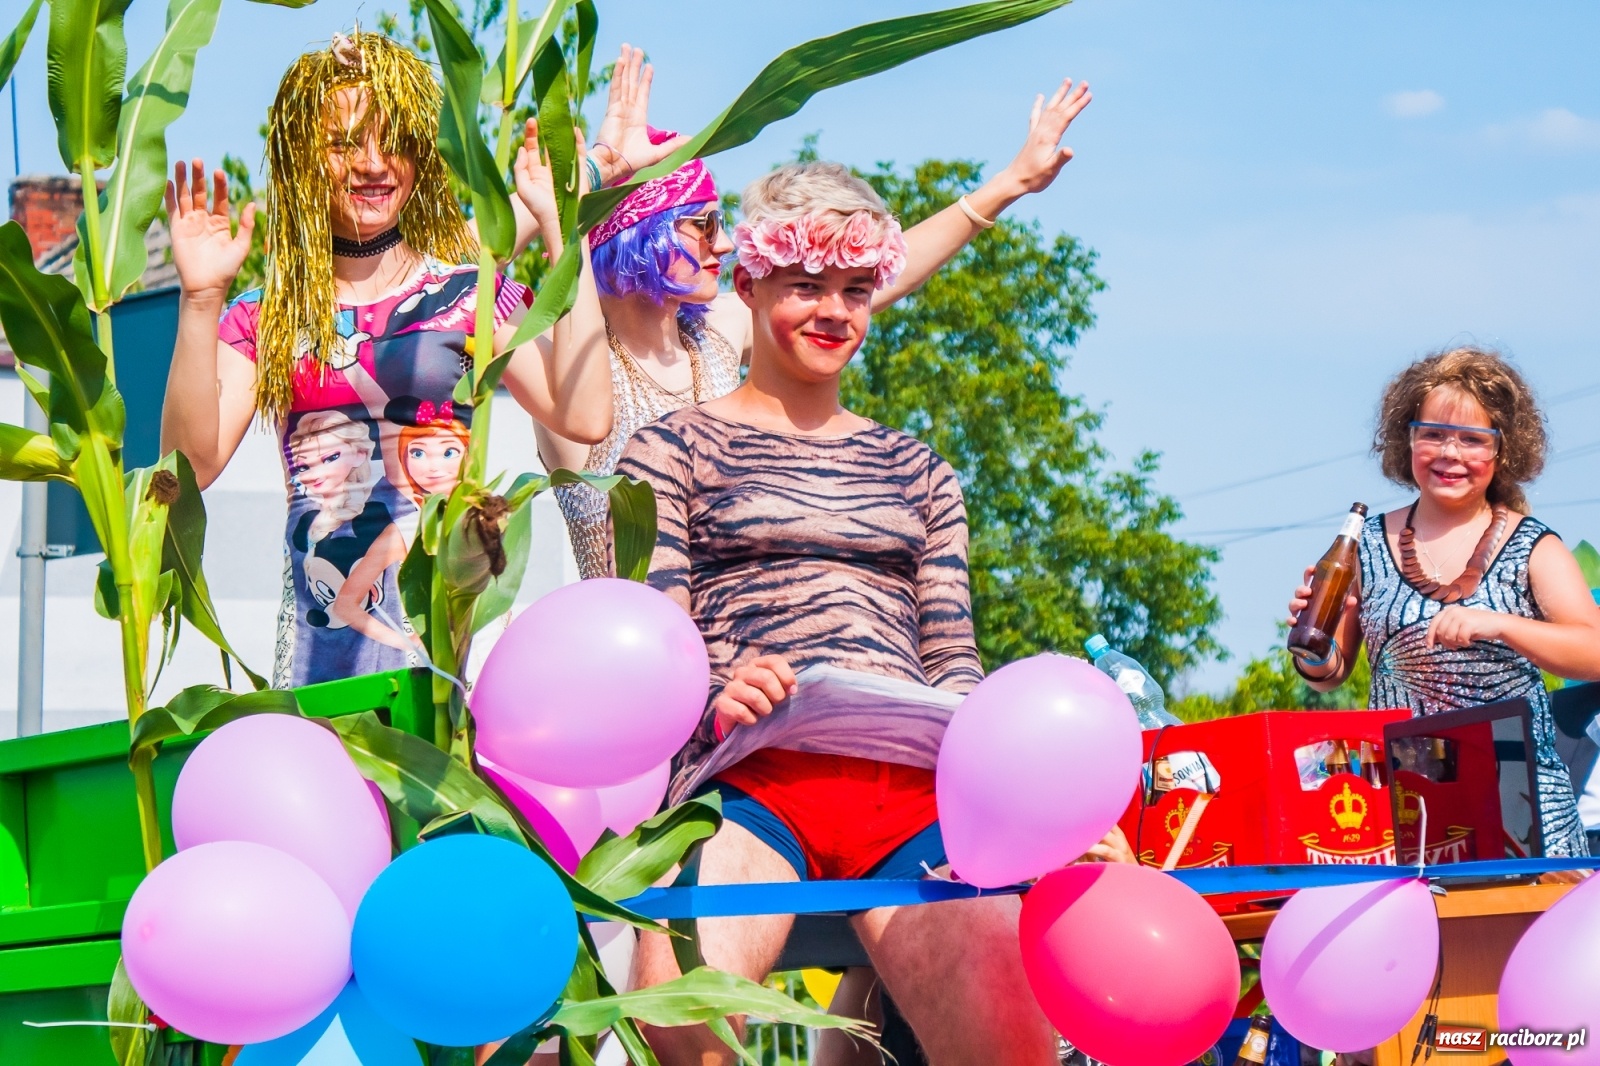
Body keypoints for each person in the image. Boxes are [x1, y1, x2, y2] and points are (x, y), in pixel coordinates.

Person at [615, 161, 1065, 1066]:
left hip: (911, 798)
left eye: (856, 290)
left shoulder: (923, 470)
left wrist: (1010, 783)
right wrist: (714, 684)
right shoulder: (668, 449)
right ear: (748, 285)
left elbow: (953, 657)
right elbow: (649, 631)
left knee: (1014, 1047)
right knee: (677, 1012)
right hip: (748, 781)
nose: (835, 312)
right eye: (806, 286)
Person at [160, 31, 612, 687]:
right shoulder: (266, 314)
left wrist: (563, 232)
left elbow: (585, 413)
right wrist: (201, 300)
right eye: (345, 143)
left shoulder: (468, 292)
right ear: (302, 157)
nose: (374, 164)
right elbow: (189, 466)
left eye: (392, 138)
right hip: (325, 658)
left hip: (457, 650)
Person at [543, 71, 1094, 578]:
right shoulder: (560, 364)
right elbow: (467, 271)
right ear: (642, 231)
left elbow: (862, 282)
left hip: (724, 647)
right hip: (625, 660)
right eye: (703, 223)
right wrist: (579, 191)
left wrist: (1009, 184)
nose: (726, 242)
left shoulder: (709, 337)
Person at [1287, 346, 1600, 858]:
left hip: (1519, 804)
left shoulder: (1534, 546)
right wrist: (1312, 645)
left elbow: (1594, 652)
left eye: (1473, 440)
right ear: (1406, 440)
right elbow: (1329, 673)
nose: (1450, 454)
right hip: (1405, 800)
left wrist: (1500, 625)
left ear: (1503, 451)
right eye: (1432, 434)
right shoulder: (1362, 543)